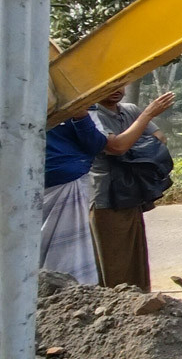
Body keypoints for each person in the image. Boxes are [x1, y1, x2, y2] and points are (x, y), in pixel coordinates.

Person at [89, 88, 176, 291]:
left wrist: (129, 145)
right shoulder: (92, 114)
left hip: (133, 193)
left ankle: (138, 300)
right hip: (106, 194)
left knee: (134, 255)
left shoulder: (129, 110)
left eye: (121, 83)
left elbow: (160, 139)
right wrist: (147, 116)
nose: (116, 90)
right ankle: (115, 303)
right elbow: (117, 147)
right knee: (113, 258)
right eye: (110, 84)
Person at [42, 109, 108, 284]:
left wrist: (80, 114)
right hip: (19, 186)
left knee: (67, 255)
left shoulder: (79, 100)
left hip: (66, 185)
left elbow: (97, 144)